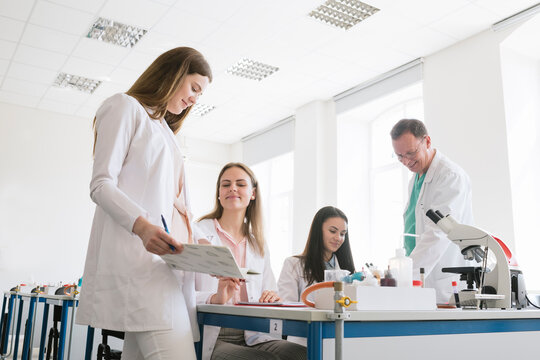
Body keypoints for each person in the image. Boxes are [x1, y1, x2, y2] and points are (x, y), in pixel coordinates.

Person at [76, 47, 212, 360]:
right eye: (194, 88)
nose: (194, 100)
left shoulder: (167, 133)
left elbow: (177, 206)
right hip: (137, 266)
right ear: (174, 73)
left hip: (162, 268)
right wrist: (142, 226)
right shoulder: (125, 107)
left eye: (199, 95)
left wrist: (208, 252)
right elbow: (101, 184)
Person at [194, 162, 306, 360]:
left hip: (253, 332)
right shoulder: (199, 233)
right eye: (226, 184)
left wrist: (271, 297)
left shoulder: (257, 244)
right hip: (212, 333)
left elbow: (271, 291)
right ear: (219, 193)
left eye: (240, 184)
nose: (233, 189)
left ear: (252, 193)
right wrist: (214, 297)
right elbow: (180, 293)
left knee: (302, 354)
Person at [390, 118, 473, 303]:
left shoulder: (450, 176)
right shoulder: (416, 178)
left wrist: (406, 275)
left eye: (411, 153)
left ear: (427, 141)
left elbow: (439, 232)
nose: (406, 161)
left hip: (441, 281)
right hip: (418, 277)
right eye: (400, 156)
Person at [278, 206, 356, 304]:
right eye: (332, 231)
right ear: (318, 230)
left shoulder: (347, 271)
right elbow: (287, 305)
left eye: (342, 234)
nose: (338, 238)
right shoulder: (293, 264)